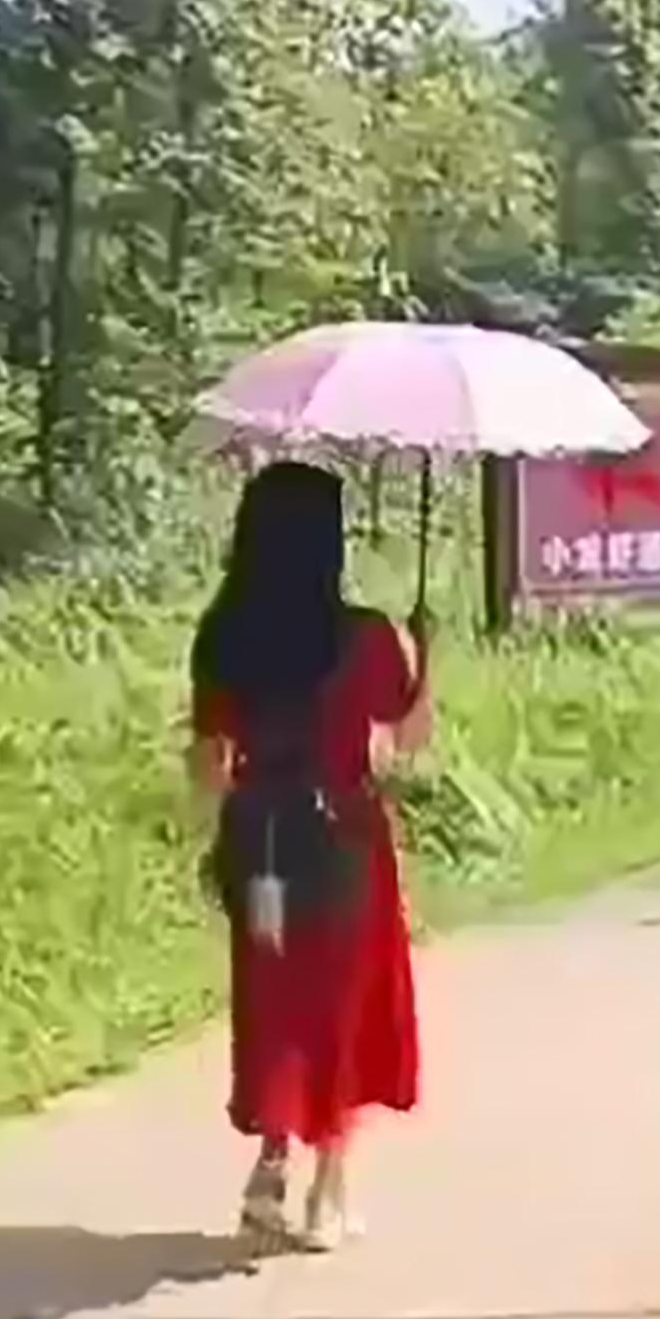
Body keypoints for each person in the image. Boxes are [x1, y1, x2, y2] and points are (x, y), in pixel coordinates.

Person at [190, 462, 429, 1252]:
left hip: (260, 848)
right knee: (340, 1010)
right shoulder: (364, 637)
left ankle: (269, 1169)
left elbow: (211, 763)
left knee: (274, 1002)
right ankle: (329, 1191)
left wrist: (224, 833)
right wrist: (425, 662)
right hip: (343, 845)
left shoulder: (223, 635)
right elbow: (402, 744)